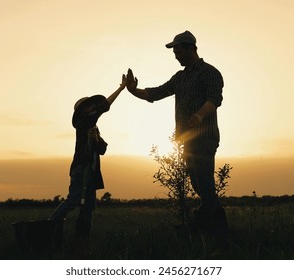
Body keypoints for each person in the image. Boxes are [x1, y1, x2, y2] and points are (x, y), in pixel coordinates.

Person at [126, 31, 228, 235]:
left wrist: (198, 117)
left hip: (204, 136)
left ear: (191, 48)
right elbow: (157, 92)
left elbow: (215, 99)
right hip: (187, 140)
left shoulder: (209, 72)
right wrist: (133, 90)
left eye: (179, 51)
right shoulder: (180, 77)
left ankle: (208, 228)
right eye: (174, 52)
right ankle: (215, 228)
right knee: (199, 185)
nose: (176, 56)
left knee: (205, 184)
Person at [49, 73, 127, 242]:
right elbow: (104, 106)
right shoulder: (83, 121)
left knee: (88, 207)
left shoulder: (93, 127)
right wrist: (121, 88)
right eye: (89, 105)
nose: (93, 106)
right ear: (82, 111)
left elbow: (103, 149)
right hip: (81, 168)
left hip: (91, 170)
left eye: (92, 104)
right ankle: (49, 228)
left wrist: (96, 139)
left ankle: (82, 239)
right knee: (73, 200)